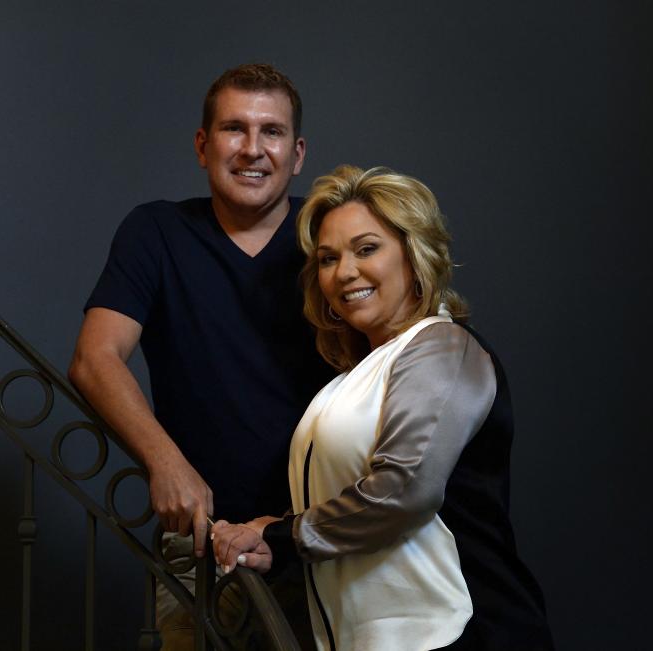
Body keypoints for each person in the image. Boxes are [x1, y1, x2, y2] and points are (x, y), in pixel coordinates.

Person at [211, 166, 554, 650]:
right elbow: (343, 492)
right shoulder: (351, 382)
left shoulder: (440, 347)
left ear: (414, 255)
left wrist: (285, 537)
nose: (344, 271)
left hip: (465, 633)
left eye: (367, 248)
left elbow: (401, 490)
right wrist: (271, 533)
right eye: (328, 258)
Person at [68, 64, 330, 648]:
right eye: (235, 129)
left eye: (273, 132)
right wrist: (165, 460)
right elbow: (95, 357)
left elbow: (398, 346)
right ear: (202, 145)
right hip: (207, 539)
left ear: (298, 152)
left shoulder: (331, 236)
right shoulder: (156, 231)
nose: (253, 149)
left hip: (324, 534)